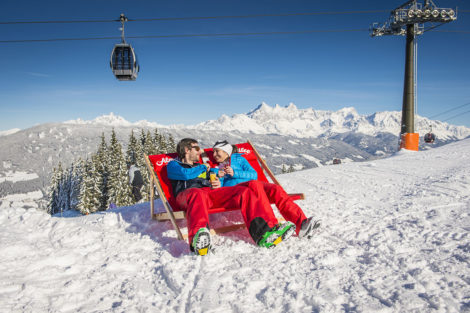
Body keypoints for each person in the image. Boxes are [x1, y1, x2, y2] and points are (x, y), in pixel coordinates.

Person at [167, 138, 296, 256]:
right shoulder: (174, 165)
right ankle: (199, 241)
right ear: (186, 150)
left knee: (244, 192)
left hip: (208, 194)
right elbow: (185, 175)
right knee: (197, 193)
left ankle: (264, 235)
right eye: (196, 148)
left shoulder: (201, 167)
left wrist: (216, 182)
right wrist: (203, 167)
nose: (200, 152)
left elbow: (213, 178)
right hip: (187, 195)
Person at [212, 140, 320, 239]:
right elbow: (220, 188)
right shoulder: (216, 168)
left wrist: (235, 173)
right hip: (238, 192)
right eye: (213, 152)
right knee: (255, 185)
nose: (214, 155)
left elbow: (254, 174)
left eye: (217, 151)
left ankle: (301, 225)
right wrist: (218, 180)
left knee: (275, 189)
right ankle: (271, 227)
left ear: (226, 151)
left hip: (254, 185)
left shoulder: (240, 159)